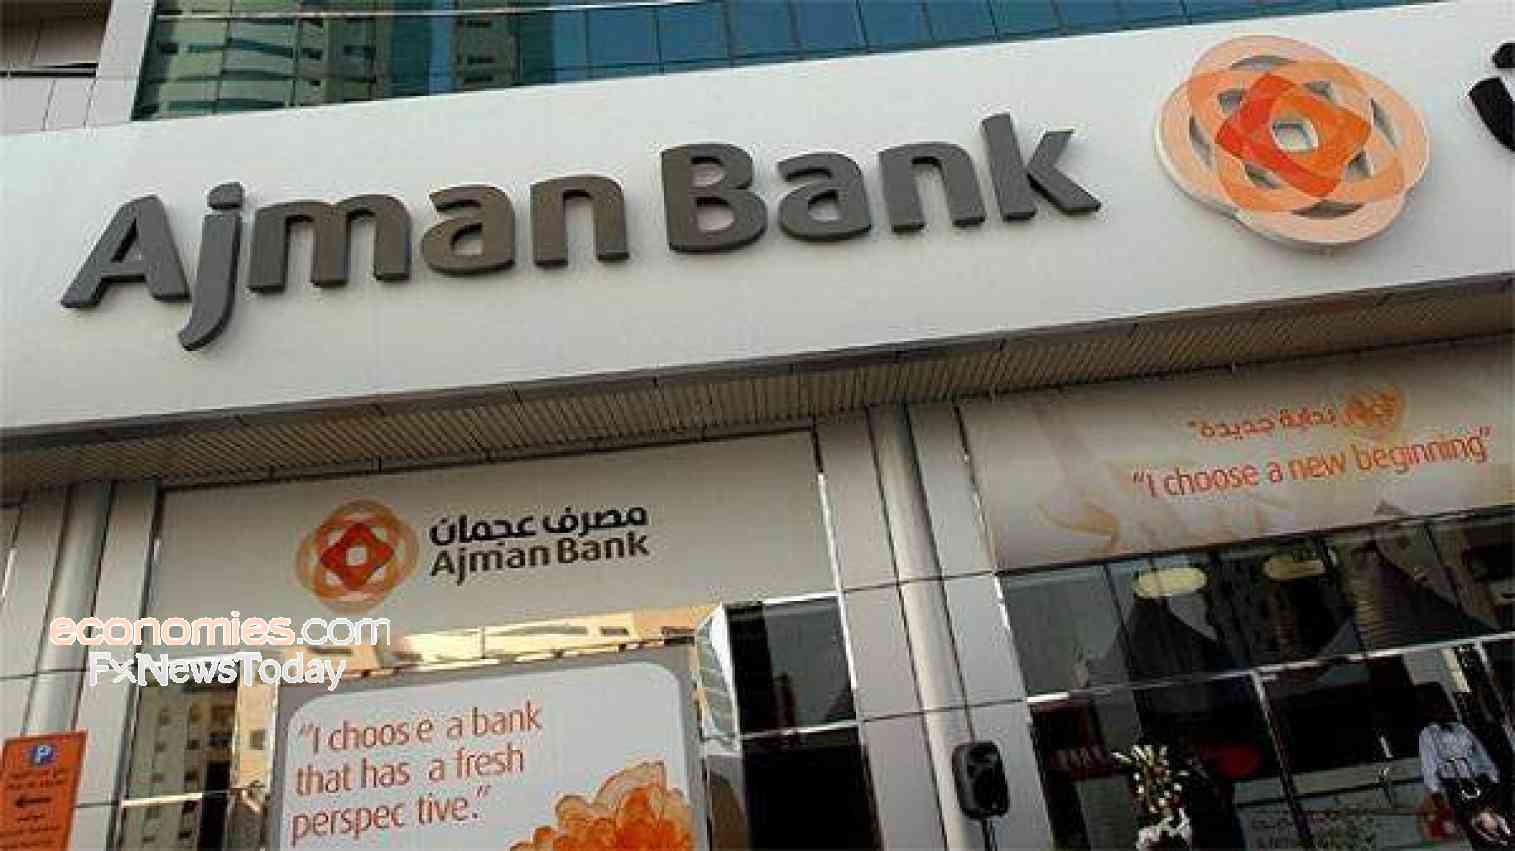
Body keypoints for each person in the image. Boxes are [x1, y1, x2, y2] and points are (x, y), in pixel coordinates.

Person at [1419, 691, 1514, 848]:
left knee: (1501, 823)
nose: (1442, 709)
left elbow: (1481, 753)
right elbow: (1429, 768)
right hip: (1458, 785)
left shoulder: (1460, 728)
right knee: (1480, 831)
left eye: (1444, 705)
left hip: (1480, 781)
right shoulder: (1428, 734)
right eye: (1436, 707)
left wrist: (1494, 778)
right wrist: (1437, 796)